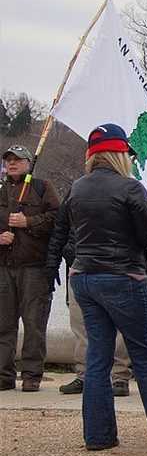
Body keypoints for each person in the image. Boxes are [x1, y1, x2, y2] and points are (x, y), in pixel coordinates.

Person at [65, 124, 147, 451]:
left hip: (84, 276)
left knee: (98, 357)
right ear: (120, 153)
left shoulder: (77, 188)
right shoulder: (131, 188)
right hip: (123, 276)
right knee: (144, 355)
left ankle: (98, 435)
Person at [48, 193, 132, 397]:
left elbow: (142, 231)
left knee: (119, 324)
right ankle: (85, 374)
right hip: (79, 265)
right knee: (80, 324)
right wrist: (54, 263)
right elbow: (60, 229)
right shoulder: (76, 191)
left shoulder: (127, 190)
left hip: (116, 266)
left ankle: (119, 376)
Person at [0, 144, 59, 392]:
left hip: (35, 267)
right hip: (4, 266)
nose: (12, 163)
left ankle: (32, 375)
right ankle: (3, 375)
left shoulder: (42, 188)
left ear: (27, 163)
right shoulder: (1, 191)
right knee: (3, 324)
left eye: (17, 160)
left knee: (34, 323)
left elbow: (58, 218)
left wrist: (29, 222)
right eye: (8, 160)